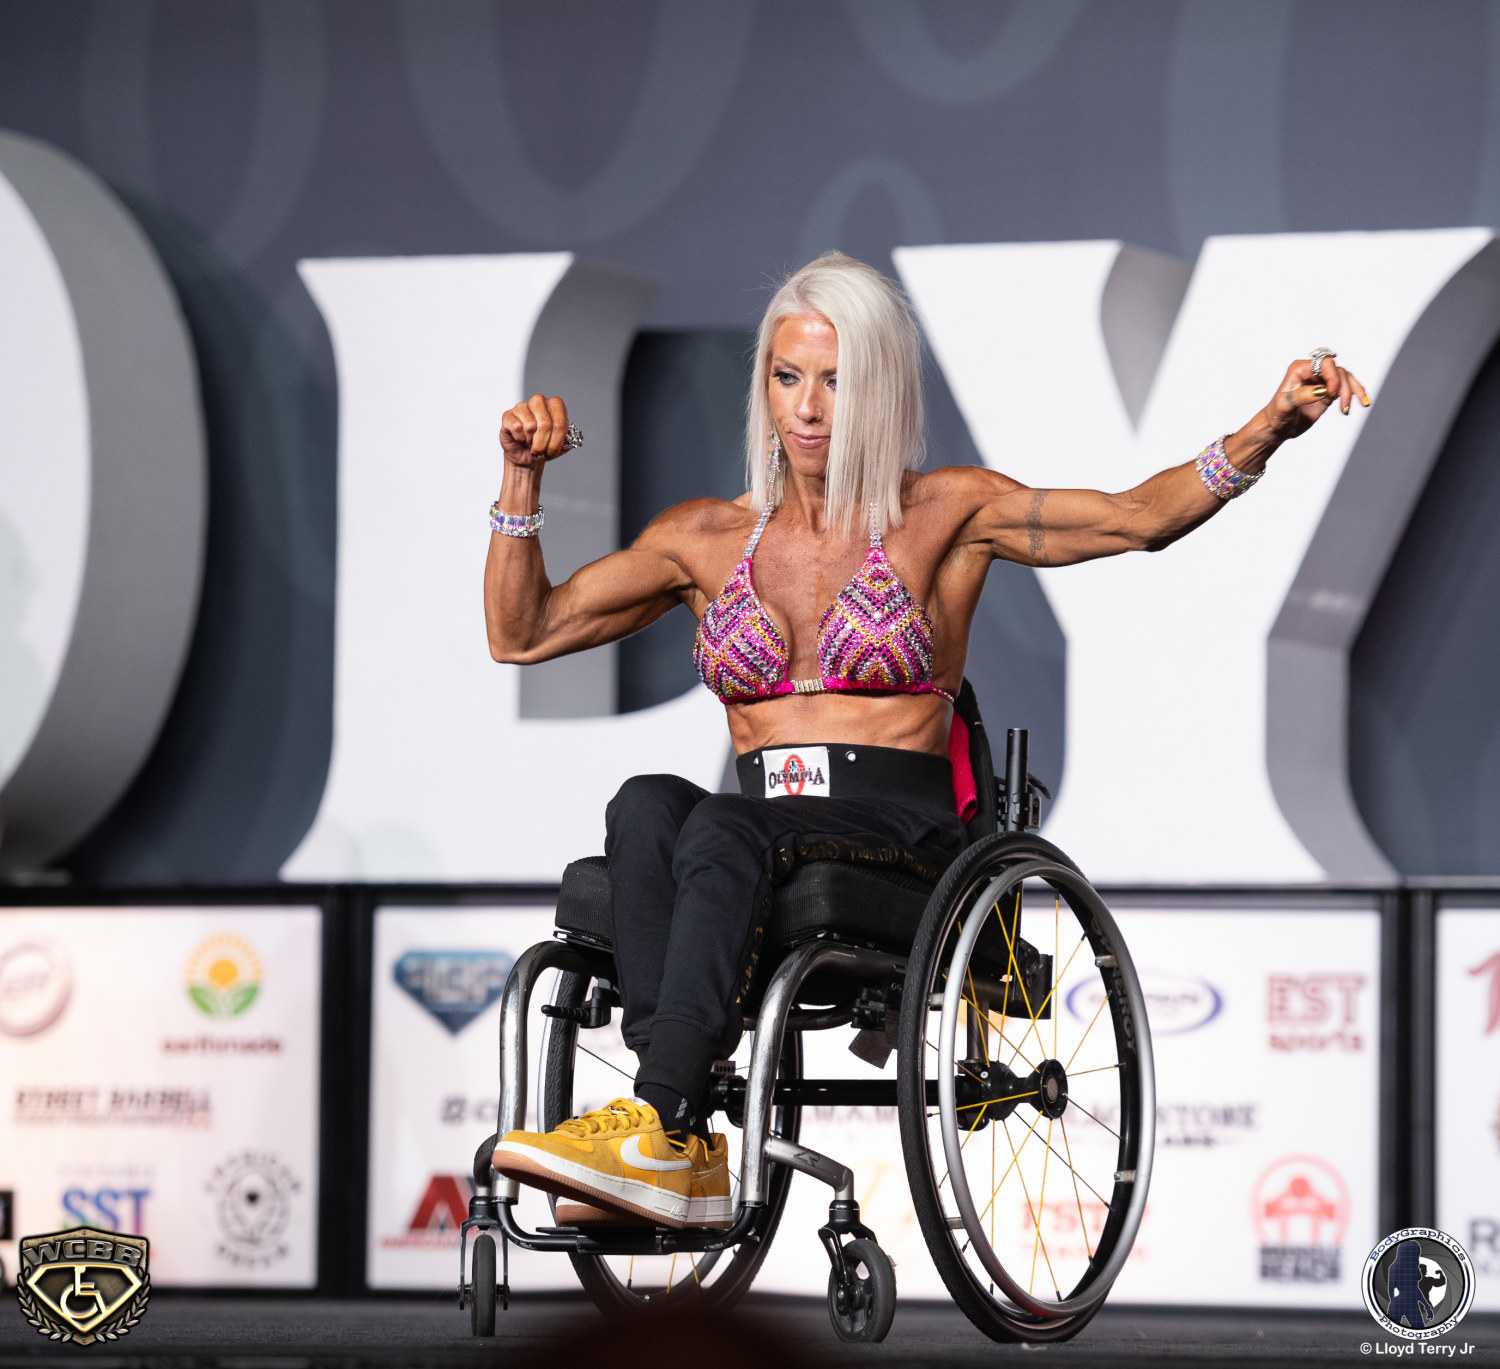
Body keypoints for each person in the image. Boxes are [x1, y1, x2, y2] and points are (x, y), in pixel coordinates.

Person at [484, 251, 1368, 1229]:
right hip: (766, 826)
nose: (808, 407)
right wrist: (522, 480)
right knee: (648, 800)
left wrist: (1267, 428)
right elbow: (522, 633)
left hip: (899, 831)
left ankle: (659, 1117)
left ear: (878, 389)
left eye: (836, 380)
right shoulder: (703, 537)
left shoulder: (945, 512)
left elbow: (1136, 519)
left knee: (725, 826)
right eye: (788, 375)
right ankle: (674, 1133)